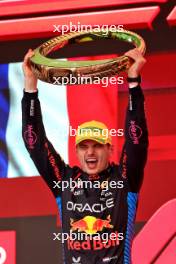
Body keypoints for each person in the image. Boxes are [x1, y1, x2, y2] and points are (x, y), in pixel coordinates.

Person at [22, 48, 148, 264]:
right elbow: (35, 144)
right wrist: (30, 85)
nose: (90, 152)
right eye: (84, 146)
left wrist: (134, 81)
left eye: (97, 146)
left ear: (109, 149)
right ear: (77, 152)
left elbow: (137, 141)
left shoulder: (125, 179)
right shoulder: (65, 180)